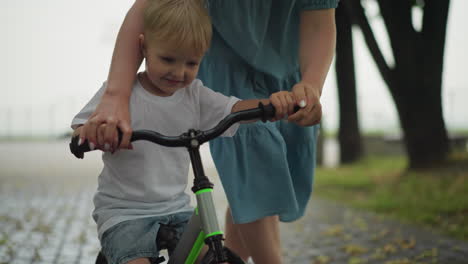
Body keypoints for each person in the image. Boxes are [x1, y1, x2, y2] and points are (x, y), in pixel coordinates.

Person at [79, 0, 338, 263]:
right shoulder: (125, 92)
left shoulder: (195, 95)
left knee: (210, 256)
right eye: (168, 59)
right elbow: (83, 127)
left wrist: (271, 105)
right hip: (125, 214)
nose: (178, 72)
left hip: (176, 209)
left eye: (191, 64)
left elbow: (233, 108)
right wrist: (95, 132)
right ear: (143, 46)